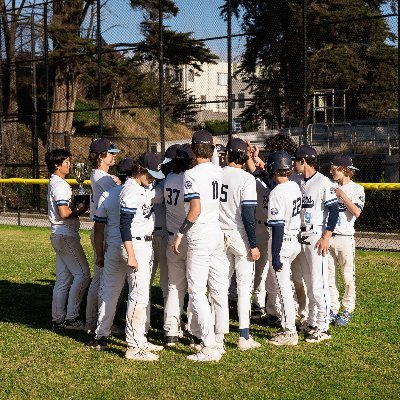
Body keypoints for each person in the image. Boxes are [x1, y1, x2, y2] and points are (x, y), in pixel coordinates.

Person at [172, 130, 228, 362]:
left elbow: (195, 210)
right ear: (213, 149)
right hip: (215, 231)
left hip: (200, 233)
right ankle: (218, 339)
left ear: (194, 149)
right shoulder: (217, 170)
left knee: (196, 291)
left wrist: (179, 233)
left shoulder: (191, 174)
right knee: (217, 288)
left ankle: (210, 346)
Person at [120, 152, 165, 361]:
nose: (154, 178)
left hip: (145, 243)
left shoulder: (141, 187)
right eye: (152, 174)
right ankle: (133, 346)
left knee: (142, 296)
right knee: (137, 296)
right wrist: (130, 254)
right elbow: (124, 226)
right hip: (135, 245)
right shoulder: (130, 190)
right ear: (141, 170)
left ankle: (140, 339)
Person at [293, 145, 339, 343]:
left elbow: (334, 211)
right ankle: (312, 321)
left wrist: (326, 237)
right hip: (300, 234)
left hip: (316, 234)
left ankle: (323, 326)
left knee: (318, 283)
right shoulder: (297, 180)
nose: (294, 163)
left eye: (296, 159)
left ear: (304, 161)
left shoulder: (323, 181)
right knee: (308, 281)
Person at [86, 158, 132, 350]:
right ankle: (136, 338)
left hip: (111, 245)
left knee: (108, 292)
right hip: (134, 247)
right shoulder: (140, 193)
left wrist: (98, 254)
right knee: (137, 293)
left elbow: (98, 229)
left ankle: (100, 335)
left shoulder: (108, 193)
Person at [219, 138, 261, 350]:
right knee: (244, 287)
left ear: (226, 155)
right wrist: (253, 244)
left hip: (218, 233)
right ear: (244, 158)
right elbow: (247, 215)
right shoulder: (246, 178)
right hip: (239, 235)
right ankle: (244, 336)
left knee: (219, 287)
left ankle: (218, 335)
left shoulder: (216, 173)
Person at [45, 149, 90, 331]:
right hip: (65, 234)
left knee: (63, 279)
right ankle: (72, 318)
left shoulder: (56, 183)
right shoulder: (60, 185)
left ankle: (58, 319)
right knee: (83, 275)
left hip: (58, 233)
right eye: (66, 161)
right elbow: (64, 213)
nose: (69, 164)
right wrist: (82, 209)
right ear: (57, 165)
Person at [265, 151, 302, 346]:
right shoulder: (294, 185)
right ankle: (288, 323)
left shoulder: (277, 193)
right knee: (281, 287)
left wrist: (276, 254)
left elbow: (278, 226)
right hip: (294, 240)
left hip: (283, 243)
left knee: (283, 289)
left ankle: (290, 332)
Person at [85, 137, 121, 334]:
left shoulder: (100, 176)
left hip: (101, 229)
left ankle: (92, 322)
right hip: (104, 231)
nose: (114, 155)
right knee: (104, 280)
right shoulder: (103, 178)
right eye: (111, 152)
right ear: (101, 155)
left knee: (99, 278)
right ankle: (98, 323)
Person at [328, 154, 365, 326]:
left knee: (347, 276)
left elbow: (356, 212)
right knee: (329, 276)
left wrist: (342, 195)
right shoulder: (329, 186)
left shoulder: (357, 189)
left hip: (345, 237)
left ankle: (347, 309)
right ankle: (333, 309)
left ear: (344, 170)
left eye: (334, 169)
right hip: (329, 236)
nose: (331, 171)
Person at [163, 144, 194, 346]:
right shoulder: (190, 179)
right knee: (195, 287)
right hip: (188, 236)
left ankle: (171, 331)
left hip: (171, 236)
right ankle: (193, 329)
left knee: (174, 286)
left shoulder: (169, 178)